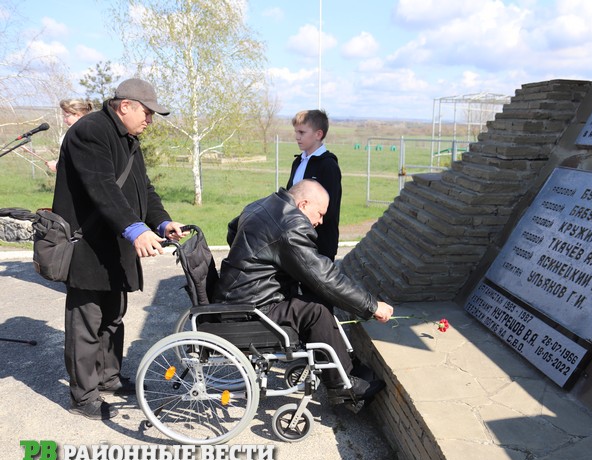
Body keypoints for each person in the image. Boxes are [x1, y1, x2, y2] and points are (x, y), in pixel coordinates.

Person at [53, 78, 187, 420]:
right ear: (124, 106)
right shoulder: (90, 131)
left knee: (113, 318)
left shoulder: (128, 138)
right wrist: (135, 229)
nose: (150, 120)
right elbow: (102, 187)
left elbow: (143, 188)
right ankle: (84, 397)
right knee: (86, 325)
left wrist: (161, 222)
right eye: (147, 112)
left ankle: (108, 378)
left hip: (115, 246)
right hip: (87, 246)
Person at [213, 179, 393, 404]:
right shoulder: (290, 226)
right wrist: (371, 305)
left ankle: (344, 364)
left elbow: (233, 230)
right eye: (320, 213)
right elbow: (325, 277)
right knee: (316, 310)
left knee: (316, 297)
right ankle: (342, 386)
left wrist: (260, 263)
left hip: (236, 294)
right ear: (303, 205)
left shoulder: (263, 204)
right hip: (250, 307)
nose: (321, 221)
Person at [285, 109, 342, 261]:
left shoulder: (329, 166)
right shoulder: (298, 162)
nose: (297, 137)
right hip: (296, 240)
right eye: (296, 132)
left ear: (318, 134)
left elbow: (329, 209)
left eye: (302, 132)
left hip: (319, 244)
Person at [46, 98, 94, 172]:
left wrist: (57, 166)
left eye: (67, 116)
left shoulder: (84, 133)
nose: (64, 120)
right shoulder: (78, 131)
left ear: (78, 115)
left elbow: (81, 162)